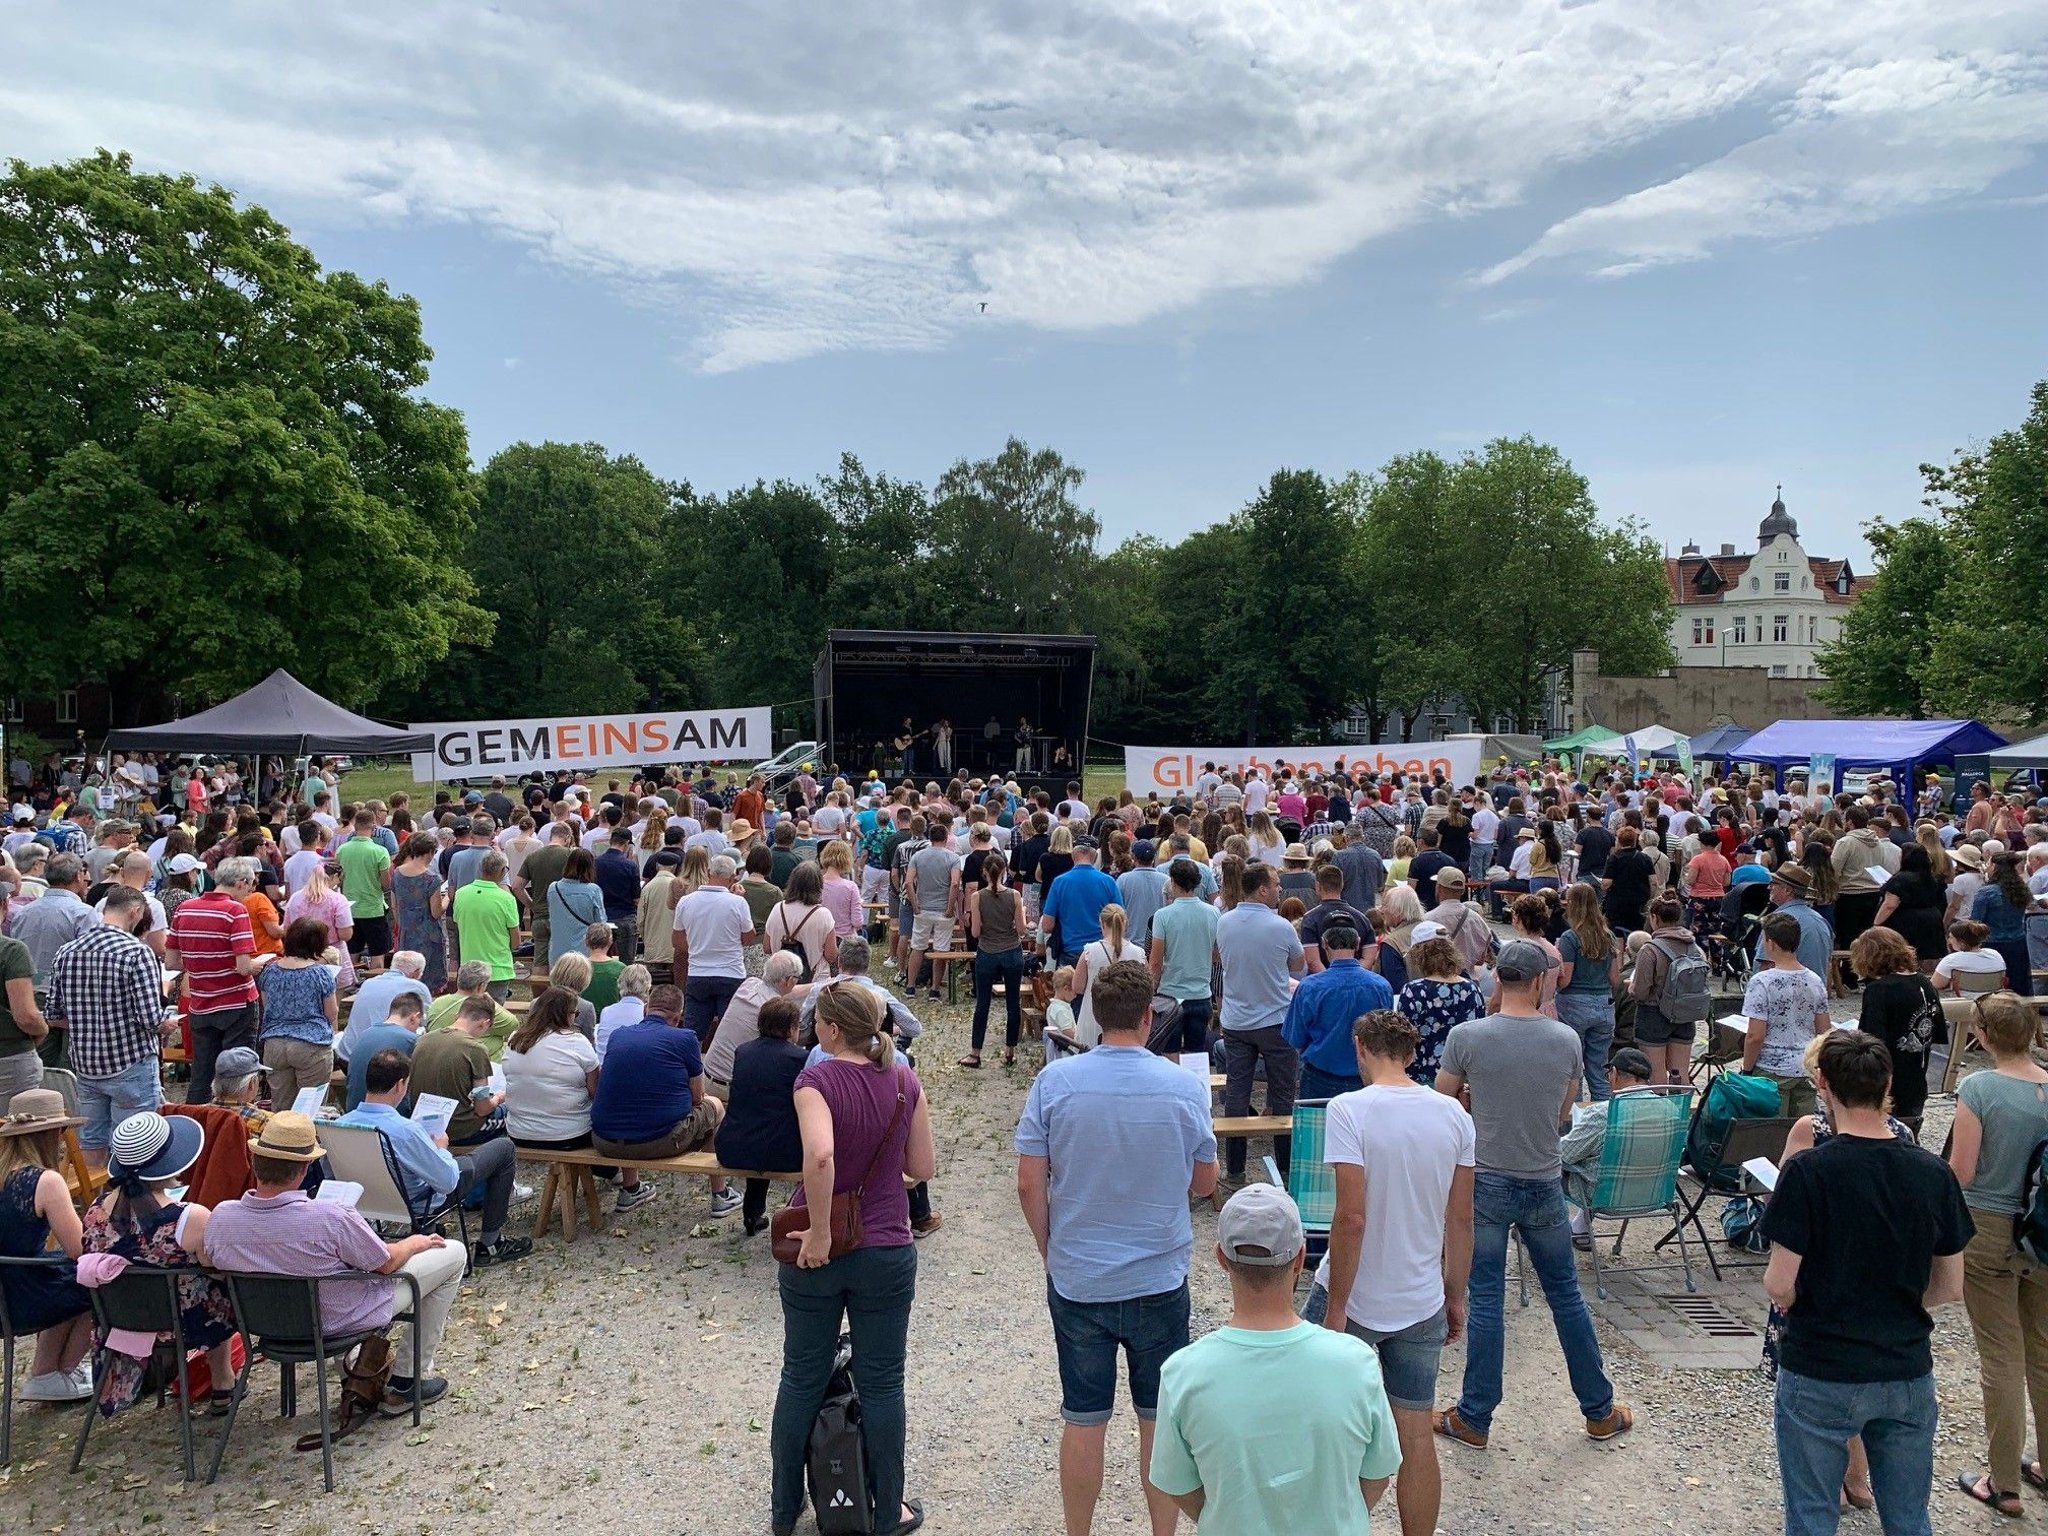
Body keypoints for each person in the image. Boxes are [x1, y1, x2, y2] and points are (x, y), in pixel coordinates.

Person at [1016, 960, 1217, 1536]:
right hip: (1157, 1273)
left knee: (1083, 1418)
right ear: (1150, 1015)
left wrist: (1048, 1248)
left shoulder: (1056, 1082)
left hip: (1080, 1273)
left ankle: (1078, 1530)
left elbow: (1030, 1180)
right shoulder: (1182, 1086)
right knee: (1157, 1421)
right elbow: (1204, 1185)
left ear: (1095, 1016)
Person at [1762, 1032, 1970, 1536]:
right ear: (1888, 1084)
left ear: (1822, 1083)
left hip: (1822, 1363)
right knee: (1907, 1518)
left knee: (1812, 1517)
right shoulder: (1932, 1173)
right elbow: (1950, 1286)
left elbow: (1779, 1283)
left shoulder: (1809, 1170)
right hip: (1903, 1364)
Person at [1432, 939, 1631, 1450]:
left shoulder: (1468, 1036)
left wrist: (1475, 1105)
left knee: (1488, 1297)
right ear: (1541, 981)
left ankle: (1475, 1415)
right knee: (1565, 1294)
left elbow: (1440, 1105)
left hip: (1487, 1177)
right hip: (1543, 1177)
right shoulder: (1564, 1040)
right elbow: (1565, 1113)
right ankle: (1598, 1409)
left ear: (1497, 978)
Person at [770, 980, 937, 1536]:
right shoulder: (902, 1078)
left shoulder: (815, 1079)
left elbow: (820, 1154)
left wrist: (819, 1230)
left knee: (801, 1376)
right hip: (886, 1245)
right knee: (885, 1383)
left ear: (832, 1028)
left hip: (823, 1250)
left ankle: (785, 1506)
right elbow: (924, 1166)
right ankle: (886, 1511)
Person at [1149, 1183, 1402, 1536]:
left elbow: (1180, 1487)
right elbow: (1376, 1476)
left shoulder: (1183, 1373)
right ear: (1300, 1259)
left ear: (1221, 1258)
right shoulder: (1356, 1363)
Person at [1304, 1009, 1473, 1536]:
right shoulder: (1453, 1116)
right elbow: (1461, 1219)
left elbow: (1351, 1216)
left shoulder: (1349, 1109)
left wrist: (1336, 1308)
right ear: (1411, 1053)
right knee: (1416, 1433)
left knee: (1322, 1426)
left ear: (1360, 1047)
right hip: (1420, 1294)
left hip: (1353, 1293)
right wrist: (1455, 1294)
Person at [204, 1111, 467, 1411]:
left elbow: (213, 1266)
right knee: (454, 1253)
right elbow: (384, 1262)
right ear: (305, 1169)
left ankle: (359, 1366)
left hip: (266, 1325)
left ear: (255, 1162)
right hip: (337, 1319)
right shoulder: (330, 1217)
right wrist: (414, 1242)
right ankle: (408, 1379)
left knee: (331, 1270)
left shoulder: (220, 1218)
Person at [1948, 992, 2048, 1516]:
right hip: (2045, 1230)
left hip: (1989, 1223)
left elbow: (1962, 1171)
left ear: (1982, 1034)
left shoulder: (1979, 1087)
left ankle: (2003, 1481)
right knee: (2044, 1351)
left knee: (2000, 1356)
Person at [82, 1109, 239, 1414]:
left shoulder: (95, 1212)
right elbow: (217, 1269)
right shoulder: (190, 1217)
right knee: (219, 1290)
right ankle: (223, 1381)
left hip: (119, 1318)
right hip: (179, 1325)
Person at [337, 1048, 532, 1266]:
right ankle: (491, 1243)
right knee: (503, 1149)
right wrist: (440, 1148)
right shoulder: (405, 1130)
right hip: (418, 1202)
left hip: (368, 1201)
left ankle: (426, 1229)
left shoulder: (339, 1126)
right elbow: (447, 1182)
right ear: (400, 1085)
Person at [590, 983, 734, 1216]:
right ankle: (720, 1194)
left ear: (646, 1009)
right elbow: (698, 1097)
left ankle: (631, 1187)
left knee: (630, 1103)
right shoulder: (686, 1038)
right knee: (715, 1106)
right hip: (660, 1139)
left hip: (604, 1139)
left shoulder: (619, 1035)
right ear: (678, 1018)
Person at [45, 887, 166, 1166]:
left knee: (92, 1142)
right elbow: (150, 1020)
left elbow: (53, 1014)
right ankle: (129, 1204)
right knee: (136, 1143)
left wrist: (88, 1020)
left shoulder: (67, 952)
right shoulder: (137, 952)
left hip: (86, 1065)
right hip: (130, 1061)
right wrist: (166, 1023)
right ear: (135, 912)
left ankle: (96, 1203)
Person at [0, 1087, 93, 1401]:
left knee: (61, 1272)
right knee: (100, 1280)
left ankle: (47, 1369)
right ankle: (59, 1371)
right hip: (20, 1296)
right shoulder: (44, 1181)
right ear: (53, 1133)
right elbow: (81, 1250)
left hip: (11, 1283)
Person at [165, 855, 262, 1104]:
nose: (249, 893)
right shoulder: (235, 911)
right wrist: (259, 964)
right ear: (240, 883)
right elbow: (243, 967)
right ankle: (235, 1126)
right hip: (236, 1002)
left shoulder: (185, 908)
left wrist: (204, 963)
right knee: (238, 1073)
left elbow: (172, 962)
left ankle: (199, 1123)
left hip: (201, 1002)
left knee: (202, 1072)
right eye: (250, 887)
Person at [715, 995, 808, 1236]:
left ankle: (753, 1214)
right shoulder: (799, 1059)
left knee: (762, 1127)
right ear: (791, 1028)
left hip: (733, 1146)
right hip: (783, 1153)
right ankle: (801, 1214)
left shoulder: (743, 1052)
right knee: (778, 1132)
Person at [1559, 1047, 1657, 1244]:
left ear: (1613, 1074)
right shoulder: (1670, 1109)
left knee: (1546, 1167)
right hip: (1653, 1194)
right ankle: (1580, 1229)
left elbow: (1564, 1155)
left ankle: (1541, 1233)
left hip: (1605, 1197)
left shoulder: (1603, 1114)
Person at [1282, 925, 1392, 1099]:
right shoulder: (1381, 986)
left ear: (1325, 944)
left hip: (1319, 1076)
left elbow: (1295, 1037)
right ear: (1357, 944)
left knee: (1317, 1127)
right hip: (1368, 1076)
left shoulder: (1310, 987)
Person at [1742, 911, 1832, 1117]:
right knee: (1804, 1131)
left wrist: (1747, 1070)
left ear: (1771, 943)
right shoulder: (1815, 980)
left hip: (1771, 1069)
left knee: (1773, 1134)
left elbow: (1755, 1036)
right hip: (1806, 1067)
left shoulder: (1761, 982)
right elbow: (1824, 1031)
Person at [1850, 926, 1940, 1121]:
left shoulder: (1878, 990)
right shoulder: (1925, 983)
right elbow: (1937, 1030)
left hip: (1886, 1079)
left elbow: (1871, 1040)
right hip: (1917, 1074)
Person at [256, 916, 340, 1111]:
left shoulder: (269, 971)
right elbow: (331, 1012)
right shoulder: (321, 973)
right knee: (310, 1109)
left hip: (275, 1043)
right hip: (311, 1044)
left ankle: (279, 1140)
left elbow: (267, 1005)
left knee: (281, 1108)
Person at [673, 855, 756, 1044]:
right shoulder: (738, 903)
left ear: (709, 873)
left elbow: (677, 941)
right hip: (731, 973)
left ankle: (692, 1070)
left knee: (693, 1034)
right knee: (731, 1036)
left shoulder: (686, 902)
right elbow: (748, 937)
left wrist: (697, 947)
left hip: (698, 973)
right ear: (733, 877)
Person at [1626, 895, 1704, 1088]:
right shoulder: (1694, 947)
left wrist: (1630, 986)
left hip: (1654, 1015)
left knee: (1656, 1075)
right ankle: (1683, 1113)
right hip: (1685, 1014)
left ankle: (1660, 1115)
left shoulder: (1650, 950)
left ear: (1654, 918)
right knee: (1681, 1074)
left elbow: (1640, 992)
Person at [1554, 881, 1620, 1100]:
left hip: (1574, 1004)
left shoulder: (1570, 938)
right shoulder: (1608, 936)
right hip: (1603, 1003)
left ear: (1572, 904)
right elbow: (1614, 978)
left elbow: (1566, 980)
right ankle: (1603, 1115)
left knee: (1574, 1070)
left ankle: (1576, 1118)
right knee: (1598, 1067)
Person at [962, 851, 1026, 1069]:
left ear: (984, 873)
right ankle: (1010, 1050)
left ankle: (975, 1052)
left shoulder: (977, 897)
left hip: (987, 951)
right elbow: (1021, 929)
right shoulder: (1014, 896)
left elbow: (976, 931)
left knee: (982, 1003)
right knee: (1013, 1002)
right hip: (1011, 950)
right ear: (1005, 871)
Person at [1149, 860, 1219, 1054]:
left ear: (1172, 882)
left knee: (1169, 1052)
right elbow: (1217, 953)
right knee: (1196, 1054)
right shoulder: (1213, 913)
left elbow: (1155, 961)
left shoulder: (1162, 915)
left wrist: (1150, 990)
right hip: (1201, 993)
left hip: (1171, 994)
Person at [1394, 935, 1484, 1087]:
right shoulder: (1471, 989)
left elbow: (1403, 1035)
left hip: (1421, 1073)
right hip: (1460, 1077)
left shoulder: (1413, 990)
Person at [1070, 903, 1146, 1050]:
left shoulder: (1089, 952)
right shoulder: (1139, 954)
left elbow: (1077, 987)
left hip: (1093, 1017)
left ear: (1102, 923)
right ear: (1125, 923)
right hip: (1127, 1020)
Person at [1038, 836, 1119, 967]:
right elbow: (1120, 920)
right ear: (1095, 855)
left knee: (1071, 987)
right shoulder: (1108, 882)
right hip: (1101, 951)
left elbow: (1047, 926)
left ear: (1073, 854)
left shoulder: (1060, 882)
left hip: (1070, 950)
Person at [342, 990, 425, 1112]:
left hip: (353, 1109)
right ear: (414, 1018)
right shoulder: (411, 1040)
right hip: (390, 1115)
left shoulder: (365, 1035)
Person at [1972, 851, 2038, 998]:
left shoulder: (1986, 892)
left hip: (1991, 943)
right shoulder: (2022, 889)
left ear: (1994, 866)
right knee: (2018, 983)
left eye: (1988, 863)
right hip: (2017, 942)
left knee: (1992, 986)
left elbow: (1975, 921)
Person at [545, 848, 607, 968]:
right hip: (583, 951)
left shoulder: (553, 888)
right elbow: (601, 922)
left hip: (557, 950)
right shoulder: (593, 890)